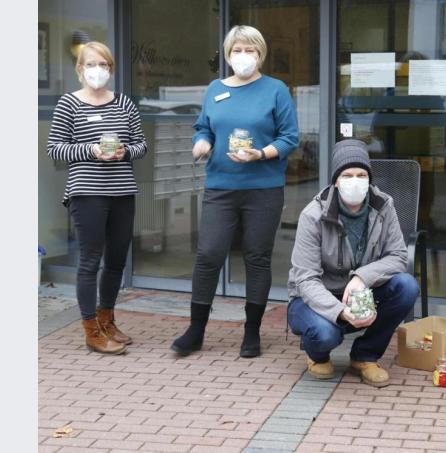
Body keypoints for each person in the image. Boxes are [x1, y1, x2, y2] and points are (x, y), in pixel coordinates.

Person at [171, 25, 299, 358]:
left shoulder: (276, 90)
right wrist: (201, 142)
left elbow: (289, 137)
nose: (243, 57)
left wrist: (260, 154)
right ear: (228, 55)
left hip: (263, 188)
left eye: (250, 50)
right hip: (221, 186)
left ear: (260, 54)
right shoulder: (215, 89)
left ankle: (251, 332)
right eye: (237, 50)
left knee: (257, 257)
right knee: (208, 255)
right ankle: (196, 330)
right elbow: (203, 127)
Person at [287, 139, 420, 387]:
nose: (355, 180)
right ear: (336, 181)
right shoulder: (312, 216)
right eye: (347, 175)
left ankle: (365, 356)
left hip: (360, 294)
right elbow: (305, 279)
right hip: (313, 300)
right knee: (326, 334)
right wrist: (340, 312)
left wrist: (362, 277)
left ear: (370, 179)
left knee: (407, 286)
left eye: (361, 174)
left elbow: (398, 256)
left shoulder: (384, 206)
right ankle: (317, 355)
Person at [46, 41, 147, 354]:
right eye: (91, 64)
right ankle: (90, 329)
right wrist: (89, 151)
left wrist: (124, 152)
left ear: (111, 69)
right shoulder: (69, 104)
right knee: (90, 261)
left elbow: (141, 145)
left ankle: (107, 320)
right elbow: (55, 149)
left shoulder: (124, 103)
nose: (98, 70)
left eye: (103, 65)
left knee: (116, 261)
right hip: (86, 193)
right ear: (80, 69)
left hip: (122, 192)